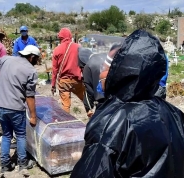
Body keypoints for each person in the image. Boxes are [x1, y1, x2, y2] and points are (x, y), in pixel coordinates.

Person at [71, 30, 184, 177]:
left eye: (106, 68)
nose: (101, 73)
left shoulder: (110, 124)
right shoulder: (175, 114)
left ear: (121, 71)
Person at [78, 44, 121, 117]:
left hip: (101, 100)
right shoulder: (105, 56)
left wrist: (89, 108)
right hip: (116, 97)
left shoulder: (87, 66)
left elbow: (89, 90)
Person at [51, 28, 85, 113]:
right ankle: (92, 117)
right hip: (77, 80)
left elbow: (55, 70)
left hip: (64, 82)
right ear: (70, 36)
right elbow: (83, 64)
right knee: (86, 100)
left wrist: (53, 85)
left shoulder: (57, 50)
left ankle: (67, 123)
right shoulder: (78, 47)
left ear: (60, 38)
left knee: (66, 105)